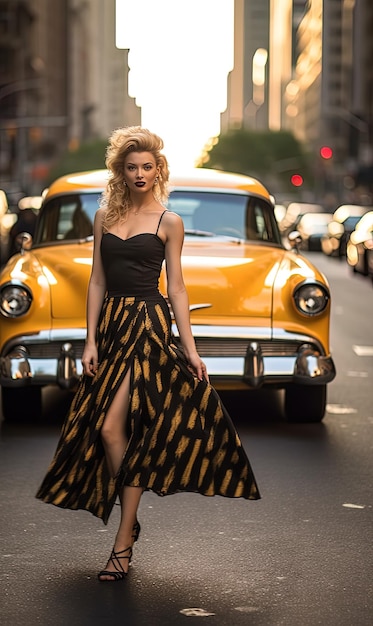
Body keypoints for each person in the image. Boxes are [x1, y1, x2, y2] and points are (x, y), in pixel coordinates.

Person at [36, 126, 260, 582]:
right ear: (120, 171)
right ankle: (130, 519)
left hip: (148, 326)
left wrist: (190, 350)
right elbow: (97, 280)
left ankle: (122, 543)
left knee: (114, 425)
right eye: (131, 167)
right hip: (112, 328)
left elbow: (176, 287)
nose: (139, 174)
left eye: (147, 167)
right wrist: (91, 339)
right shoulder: (103, 217)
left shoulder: (168, 221)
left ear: (158, 170)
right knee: (108, 430)